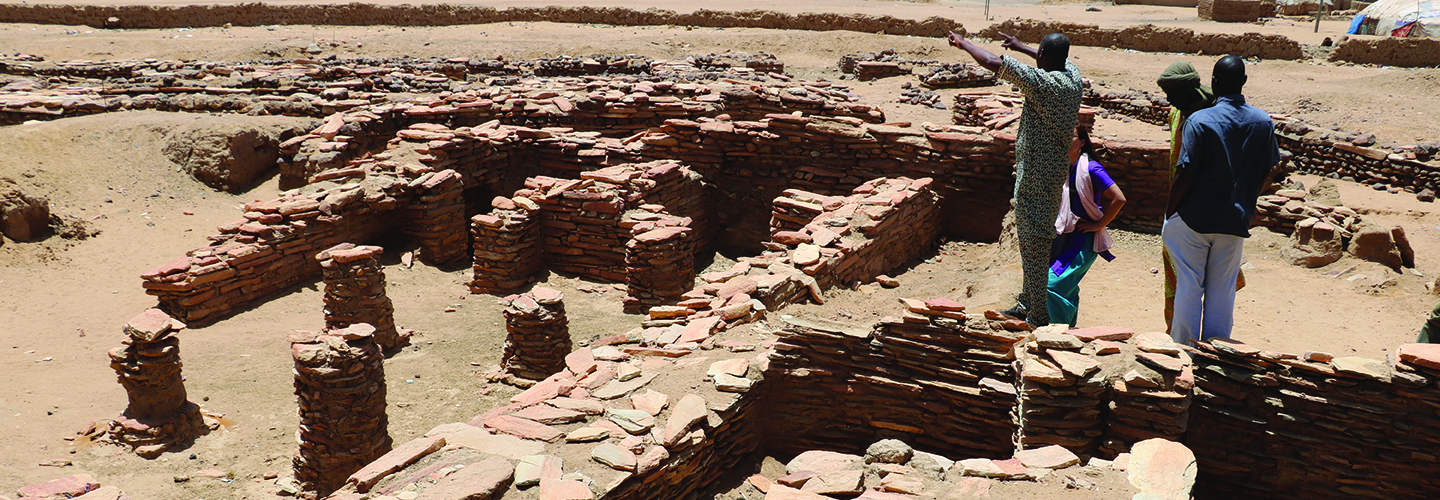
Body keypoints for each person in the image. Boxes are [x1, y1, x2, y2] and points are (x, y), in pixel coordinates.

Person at [949, 30, 1084, 327]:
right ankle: (1027, 302)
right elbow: (1048, 58)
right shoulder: (1072, 75)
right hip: (1044, 175)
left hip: (1038, 180)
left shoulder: (1047, 84)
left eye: (1039, 54)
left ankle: (1038, 316)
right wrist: (1021, 47)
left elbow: (993, 62)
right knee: (1030, 244)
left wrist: (964, 43)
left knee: (1034, 245)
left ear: (1045, 59)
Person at [1164, 55, 1280, 345]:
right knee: (1222, 292)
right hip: (1233, 220)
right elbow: (1267, 169)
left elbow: (1186, 171)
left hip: (1193, 218)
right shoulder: (1263, 122)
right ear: (1243, 82)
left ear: (1213, 83)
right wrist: (1246, 201)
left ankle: (1185, 353)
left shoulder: (1200, 120)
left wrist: (1169, 213)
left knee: (1190, 286)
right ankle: (1216, 355)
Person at [1155, 61, 1245, 334]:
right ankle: (1181, 335)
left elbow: (1190, 169)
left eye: (1172, 92)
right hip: (1185, 209)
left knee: (1201, 284)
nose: (1168, 99)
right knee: (1183, 281)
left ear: (1190, 88)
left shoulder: (1211, 115)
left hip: (1202, 211)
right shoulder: (1178, 111)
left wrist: (1171, 212)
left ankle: (1200, 346)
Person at [1048, 127, 1125, 327]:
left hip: (1084, 240)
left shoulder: (1091, 168)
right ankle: (1069, 328)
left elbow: (1119, 198)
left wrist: (1099, 224)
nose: (1065, 140)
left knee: (1051, 283)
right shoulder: (1064, 167)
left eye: (1071, 136)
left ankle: (1056, 329)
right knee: (1067, 285)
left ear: (1082, 142)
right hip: (1067, 236)